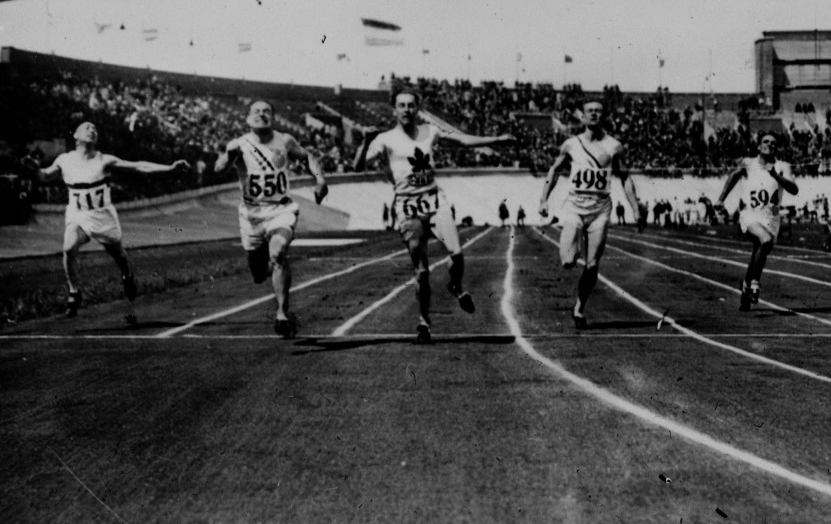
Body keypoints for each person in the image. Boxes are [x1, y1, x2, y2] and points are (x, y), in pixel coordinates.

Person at [354, 89, 515, 344]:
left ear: (417, 109)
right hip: (407, 205)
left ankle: (456, 286)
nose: (406, 110)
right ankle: (424, 322)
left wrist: (494, 140)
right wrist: (364, 141)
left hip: (434, 199)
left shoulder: (431, 131)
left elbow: (462, 141)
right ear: (394, 110)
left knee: (457, 253)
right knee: (422, 271)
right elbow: (357, 166)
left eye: (411, 105)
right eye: (401, 105)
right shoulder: (384, 139)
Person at [22, 122, 190, 324]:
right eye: (87, 128)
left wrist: (170, 168)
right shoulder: (64, 160)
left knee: (118, 255)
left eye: (95, 129)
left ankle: (127, 275)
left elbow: (140, 166)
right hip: (78, 215)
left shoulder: (103, 160)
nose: (92, 130)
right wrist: (33, 169)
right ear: (76, 136)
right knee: (68, 248)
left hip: (103, 217)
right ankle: (74, 292)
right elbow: (44, 176)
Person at [214, 100, 329, 339]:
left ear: (273, 118)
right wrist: (228, 156)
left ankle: (282, 314)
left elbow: (308, 157)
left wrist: (320, 180)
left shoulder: (284, 140)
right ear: (247, 119)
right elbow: (219, 168)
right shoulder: (239, 144)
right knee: (258, 273)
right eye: (256, 111)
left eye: (266, 111)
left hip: (281, 210)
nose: (261, 115)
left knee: (278, 252)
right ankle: (267, 268)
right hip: (251, 215)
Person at [538, 99, 639, 330]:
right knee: (568, 261)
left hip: (600, 208)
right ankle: (573, 250)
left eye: (598, 111)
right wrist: (543, 199)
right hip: (575, 206)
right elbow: (554, 170)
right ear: (582, 117)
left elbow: (625, 177)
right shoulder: (571, 144)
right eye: (589, 111)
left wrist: (635, 208)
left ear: (604, 116)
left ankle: (579, 308)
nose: (594, 114)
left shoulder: (614, 146)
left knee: (592, 265)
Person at [713, 131, 799, 311]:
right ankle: (754, 285)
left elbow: (794, 189)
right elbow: (733, 177)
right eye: (765, 141)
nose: (769, 145)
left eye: (773, 143)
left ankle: (745, 288)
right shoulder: (748, 163)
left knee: (758, 251)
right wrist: (721, 199)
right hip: (749, 214)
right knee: (765, 240)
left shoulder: (782, 166)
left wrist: (775, 175)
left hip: (771, 217)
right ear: (759, 145)